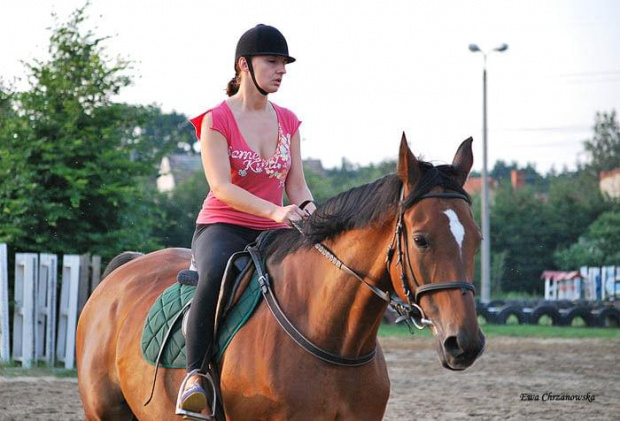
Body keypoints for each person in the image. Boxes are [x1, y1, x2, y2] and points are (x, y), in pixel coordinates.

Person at [178, 24, 316, 414]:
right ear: (244, 65)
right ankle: (195, 376)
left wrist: (314, 217)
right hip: (223, 226)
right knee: (216, 273)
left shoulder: (289, 122)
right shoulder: (215, 120)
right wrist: (275, 212)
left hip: (276, 230)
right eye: (272, 61)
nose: (281, 70)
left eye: (284, 64)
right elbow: (221, 186)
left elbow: (299, 187)